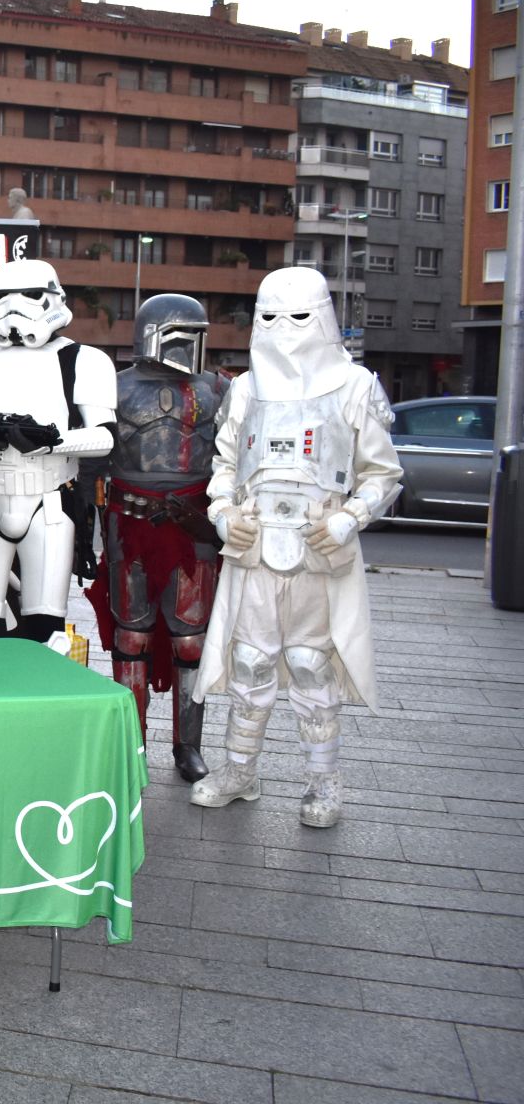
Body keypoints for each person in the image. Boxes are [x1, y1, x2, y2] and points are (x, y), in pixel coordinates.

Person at [189, 268, 402, 827]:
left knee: (312, 664)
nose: (285, 329)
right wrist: (222, 514)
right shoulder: (245, 388)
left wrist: (350, 518)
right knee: (249, 659)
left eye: (299, 316)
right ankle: (240, 770)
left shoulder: (356, 387)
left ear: (324, 318)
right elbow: (225, 466)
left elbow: (382, 473)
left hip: (318, 546)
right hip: (255, 543)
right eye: (271, 316)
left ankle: (323, 782)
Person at [89, 294, 228, 782]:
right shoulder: (114, 386)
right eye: (184, 335)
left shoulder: (217, 388)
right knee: (131, 636)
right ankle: (134, 744)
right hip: (130, 524)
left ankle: (188, 745)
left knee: (192, 641)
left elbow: (234, 463)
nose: (192, 346)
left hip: (194, 527)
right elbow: (94, 460)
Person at [0, 257, 117, 641]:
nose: (14, 307)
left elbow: (105, 436)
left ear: (53, 298)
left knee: (46, 625)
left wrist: (50, 442)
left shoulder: (83, 361)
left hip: (49, 503)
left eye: (30, 295)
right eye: (3, 296)